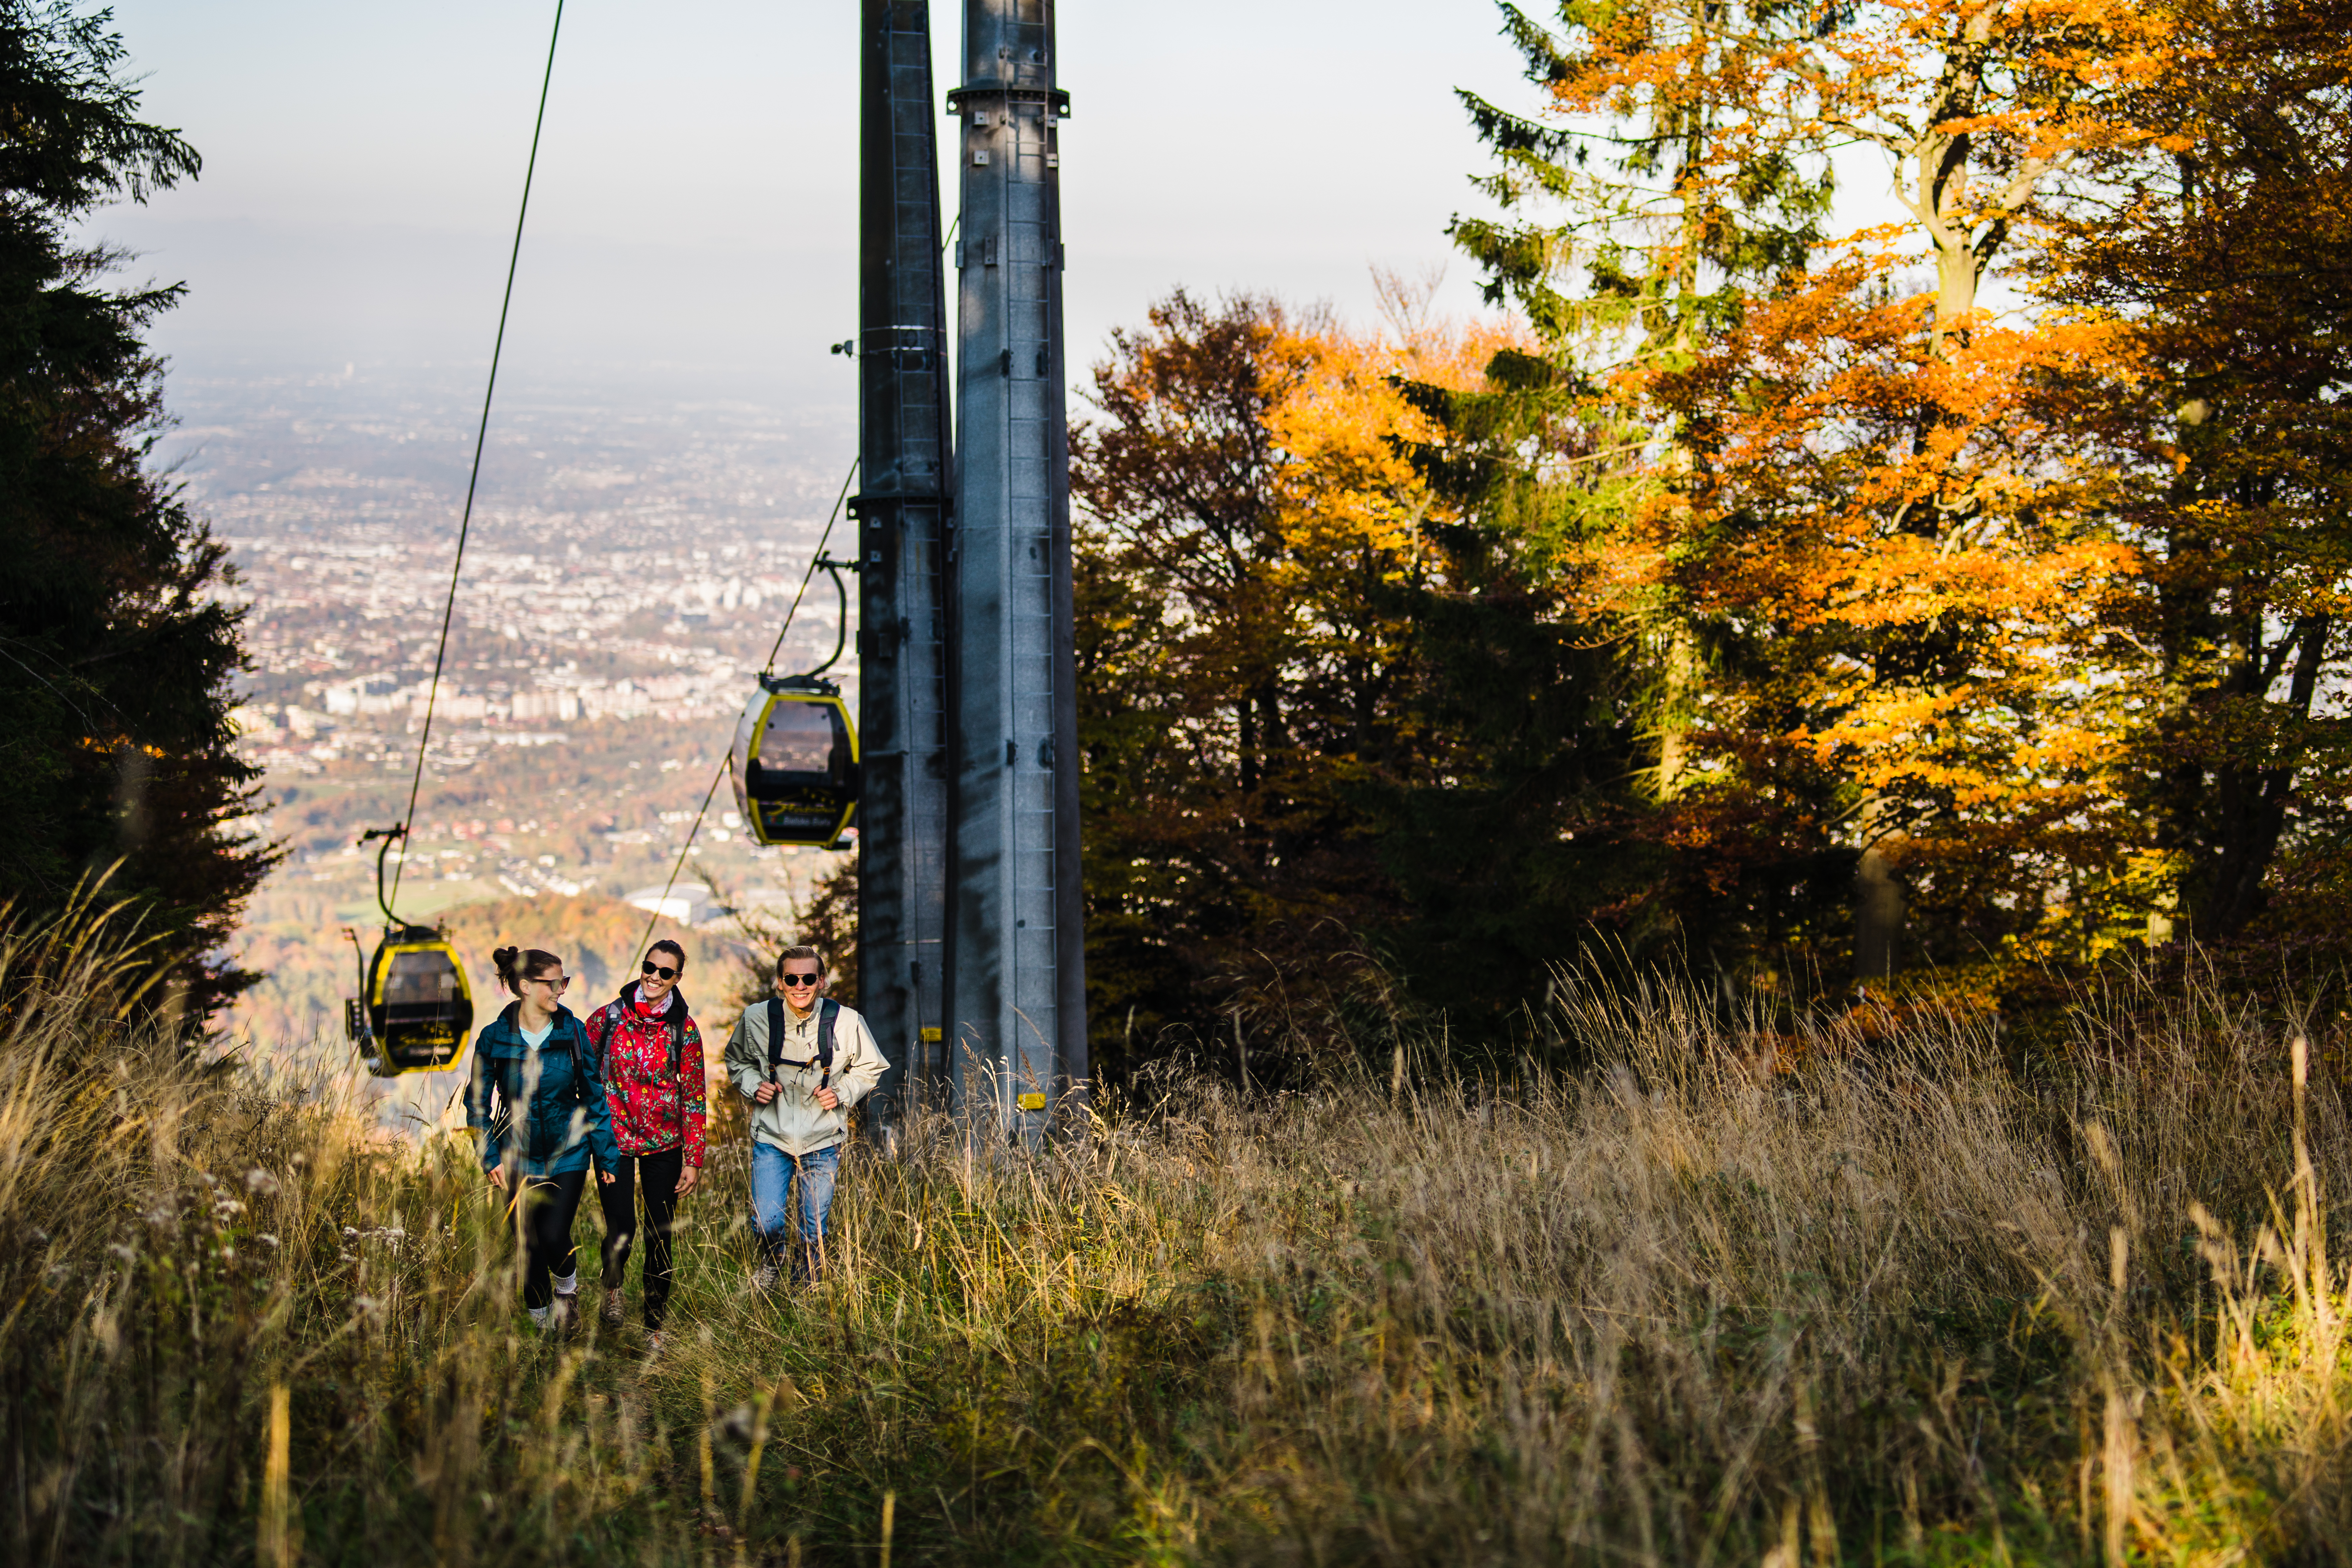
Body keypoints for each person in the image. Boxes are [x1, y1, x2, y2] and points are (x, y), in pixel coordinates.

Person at [465, 945, 621, 1333]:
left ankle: (567, 1291)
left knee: (553, 1234)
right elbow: (478, 1104)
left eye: (562, 982)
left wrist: (606, 1158)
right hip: (516, 1156)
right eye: (553, 983)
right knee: (528, 1245)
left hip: (567, 1152)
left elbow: (595, 1096)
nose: (560, 990)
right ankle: (543, 1329)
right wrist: (489, 1156)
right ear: (524, 986)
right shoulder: (494, 1039)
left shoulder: (573, 1032)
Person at [722, 944, 888, 1288]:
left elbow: (871, 1066)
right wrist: (755, 1086)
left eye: (809, 978)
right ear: (780, 983)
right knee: (766, 1222)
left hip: (823, 1136)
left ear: (822, 981)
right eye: (792, 979)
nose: (801, 986)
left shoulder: (846, 1021)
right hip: (772, 1133)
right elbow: (736, 1060)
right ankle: (773, 1257)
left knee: (814, 1226)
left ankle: (806, 1287)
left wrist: (842, 1093)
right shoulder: (757, 1018)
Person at [582, 938, 706, 1351]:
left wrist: (694, 1158)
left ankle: (655, 1325)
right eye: (649, 967)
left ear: (678, 979)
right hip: (613, 1139)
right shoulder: (609, 1018)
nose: (654, 977)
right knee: (622, 1228)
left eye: (665, 972)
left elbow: (693, 1095)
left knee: (660, 1232)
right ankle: (612, 1290)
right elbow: (581, 1072)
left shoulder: (683, 1030)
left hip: (665, 1144)